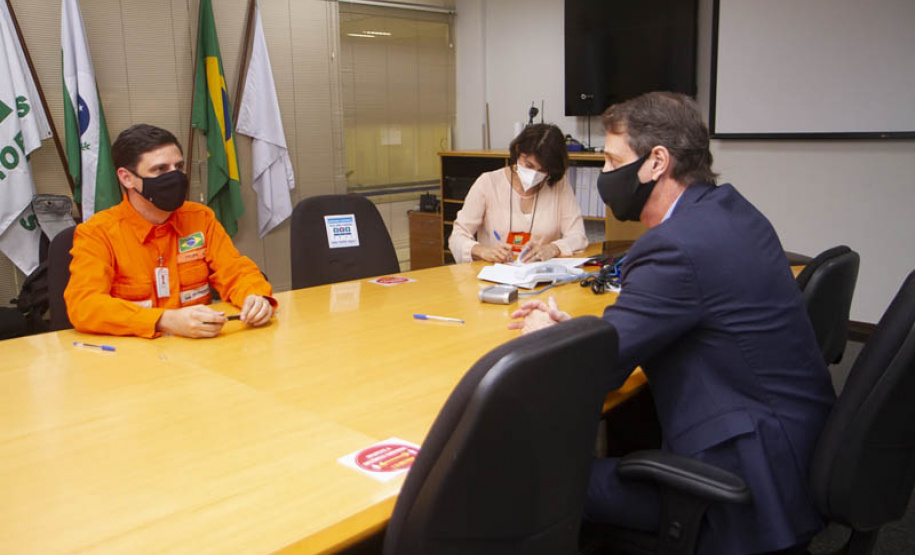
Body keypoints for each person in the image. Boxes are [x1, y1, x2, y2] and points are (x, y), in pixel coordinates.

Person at [510, 93, 835, 554]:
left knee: (534, 482)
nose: (603, 175)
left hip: (744, 484)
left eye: (611, 160)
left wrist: (548, 335)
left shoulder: (675, 247)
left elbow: (600, 373)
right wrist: (581, 331)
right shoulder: (730, 212)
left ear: (656, 161)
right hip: (789, 447)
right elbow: (659, 321)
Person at [65, 124, 276, 339]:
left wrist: (255, 296)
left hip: (201, 350)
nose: (174, 177)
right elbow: (84, 305)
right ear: (126, 178)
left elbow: (235, 271)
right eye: (160, 169)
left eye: (179, 167)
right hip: (135, 356)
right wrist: (163, 320)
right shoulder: (97, 232)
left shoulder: (200, 218)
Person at [448, 123, 588, 263]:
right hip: (494, 276)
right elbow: (457, 238)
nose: (534, 174)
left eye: (542, 170)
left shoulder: (559, 185)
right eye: (528, 165)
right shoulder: (488, 183)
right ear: (517, 151)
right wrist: (483, 251)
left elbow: (578, 236)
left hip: (541, 276)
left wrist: (553, 248)